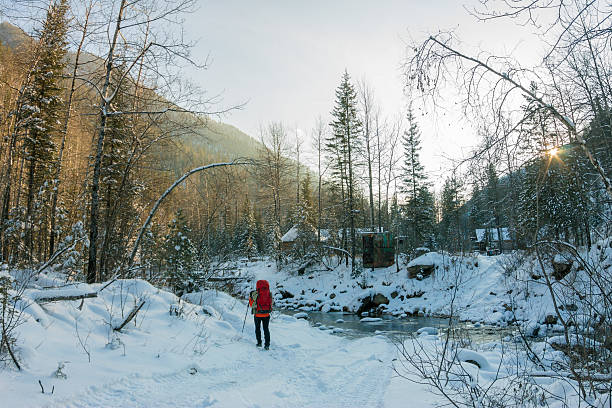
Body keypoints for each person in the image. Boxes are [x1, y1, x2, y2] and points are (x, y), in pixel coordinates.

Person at [248, 279, 273, 350]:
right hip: (266, 314)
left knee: (257, 328)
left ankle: (259, 343)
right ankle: (267, 345)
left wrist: (250, 298)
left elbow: (252, 305)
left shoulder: (255, 294)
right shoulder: (269, 293)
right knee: (266, 329)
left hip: (257, 315)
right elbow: (271, 303)